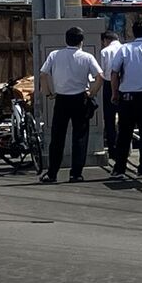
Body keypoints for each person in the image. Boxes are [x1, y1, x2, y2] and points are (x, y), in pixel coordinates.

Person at [38, 26, 103, 184]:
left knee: (57, 136)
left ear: (66, 40)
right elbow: (100, 77)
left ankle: (52, 173)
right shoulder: (87, 57)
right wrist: (91, 93)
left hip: (61, 99)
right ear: (81, 41)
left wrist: (48, 93)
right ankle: (76, 174)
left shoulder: (54, 55)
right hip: (80, 98)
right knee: (80, 136)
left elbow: (43, 74)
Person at [109, 18, 142, 178]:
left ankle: (119, 168)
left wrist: (114, 93)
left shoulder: (125, 49)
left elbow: (114, 73)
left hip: (127, 96)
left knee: (124, 133)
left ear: (133, 33)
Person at [98, 29, 122, 158]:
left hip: (108, 85)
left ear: (106, 40)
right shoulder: (125, 49)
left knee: (109, 118)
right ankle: (124, 148)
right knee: (125, 118)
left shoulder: (105, 51)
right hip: (124, 84)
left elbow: (101, 72)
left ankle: (112, 149)